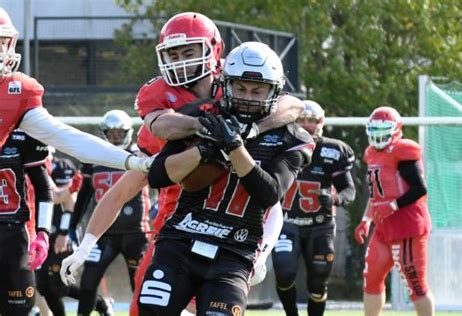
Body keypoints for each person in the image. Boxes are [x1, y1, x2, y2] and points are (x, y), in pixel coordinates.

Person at [60, 11, 302, 316]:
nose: (181, 61)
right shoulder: (161, 98)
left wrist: (249, 129)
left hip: (236, 230)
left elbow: (291, 104)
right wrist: (206, 128)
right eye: (173, 54)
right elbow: (149, 149)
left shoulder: (238, 81)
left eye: (189, 52)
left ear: (214, 51)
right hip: (177, 225)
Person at [139, 41, 315, 315]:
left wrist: (235, 148)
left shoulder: (292, 138)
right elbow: (158, 175)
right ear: (225, 84)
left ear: (275, 91)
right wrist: (204, 149)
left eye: (258, 91)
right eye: (240, 88)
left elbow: (269, 194)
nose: (247, 97)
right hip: (180, 241)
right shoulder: (203, 117)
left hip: (235, 252)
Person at [0, 7, 151, 173]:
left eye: (2, 42)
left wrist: (132, 161)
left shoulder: (16, 91)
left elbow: (70, 140)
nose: (1, 51)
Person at [272, 100, 356, 316]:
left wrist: (335, 199)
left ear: (322, 122)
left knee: (318, 281)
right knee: (284, 271)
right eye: (302, 120)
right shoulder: (280, 143)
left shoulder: (334, 150)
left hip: (321, 226)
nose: (308, 125)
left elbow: (349, 190)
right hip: (287, 223)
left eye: (313, 120)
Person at [66, 110, 150, 316]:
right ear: (104, 133)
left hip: (136, 234)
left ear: (128, 133)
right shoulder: (94, 157)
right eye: (110, 133)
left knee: (139, 286)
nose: (115, 137)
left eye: (119, 133)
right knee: (88, 282)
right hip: (103, 235)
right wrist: (72, 225)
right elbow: (85, 195)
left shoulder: (140, 155)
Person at [354, 106, 434, 316]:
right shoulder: (371, 153)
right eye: (375, 130)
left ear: (396, 129)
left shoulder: (404, 151)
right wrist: (366, 219)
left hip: (407, 226)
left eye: (384, 130)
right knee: (371, 277)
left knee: (415, 284)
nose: (378, 136)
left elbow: (419, 189)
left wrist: (392, 206)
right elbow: (376, 194)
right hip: (383, 227)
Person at [35, 155, 113, 316]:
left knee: (57, 286)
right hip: (38, 232)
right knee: (42, 286)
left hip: (58, 234)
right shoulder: (26, 165)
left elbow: (64, 199)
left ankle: (99, 303)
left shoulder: (59, 166)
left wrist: (64, 232)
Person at [0, 129, 53, 315]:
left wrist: (43, 232)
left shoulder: (20, 137)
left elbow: (44, 189)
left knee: (20, 308)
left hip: (14, 237)